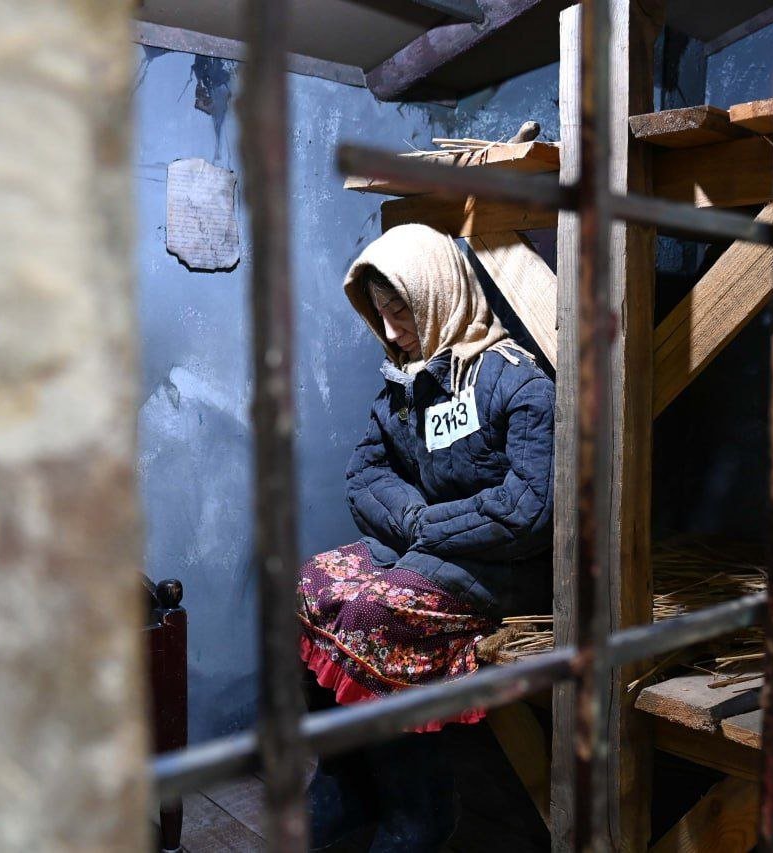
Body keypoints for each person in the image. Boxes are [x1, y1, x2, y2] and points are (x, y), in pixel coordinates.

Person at [297, 224, 555, 851]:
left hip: (504, 567)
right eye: (380, 314)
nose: (391, 332)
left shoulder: (520, 385)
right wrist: (416, 522)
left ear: (439, 293)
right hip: (428, 547)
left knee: (374, 615)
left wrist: (428, 529)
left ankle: (419, 810)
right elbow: (364, 475)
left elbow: (527, 509)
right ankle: (348, 782)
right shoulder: (410, 381)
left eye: (402, 311)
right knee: (313, 583)